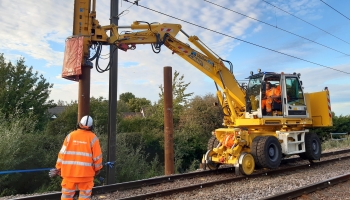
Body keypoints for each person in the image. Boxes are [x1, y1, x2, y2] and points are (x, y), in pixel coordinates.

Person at [53, 115, 103, 200]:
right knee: (85, 197)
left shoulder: (70, 136)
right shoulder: (93, 138)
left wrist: (58, 168)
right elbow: (97, 157)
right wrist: (97, 169)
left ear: (79, 124)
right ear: (91, 126)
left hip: (69, 174)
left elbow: (61, 154)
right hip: (86, 175)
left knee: (66, 197)